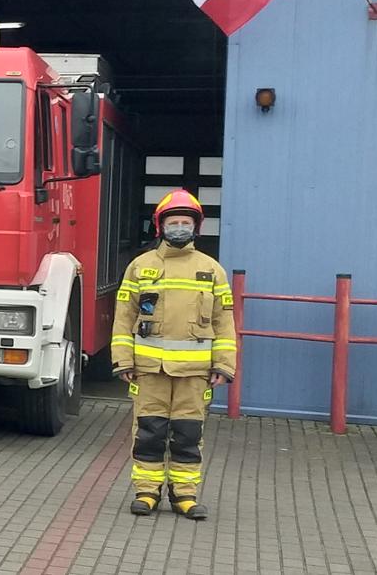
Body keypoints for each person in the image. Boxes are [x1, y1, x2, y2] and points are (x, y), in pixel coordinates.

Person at [112, 189, 236, 520]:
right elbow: (124, 316)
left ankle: (185, 495)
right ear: (160, 226)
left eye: (185, 222)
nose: (179, 227)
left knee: (187, 435)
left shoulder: (211, 270)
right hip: (149, 370)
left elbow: (225, 322)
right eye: (173, 221)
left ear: (195, 227)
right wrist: (123, 359)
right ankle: (146, 492)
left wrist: (224, 365)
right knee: (149, 432)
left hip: (194, 374)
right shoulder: (140, 267)